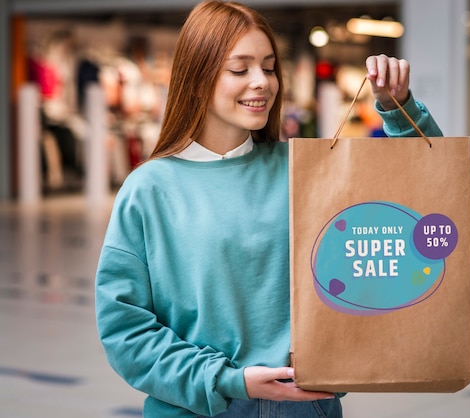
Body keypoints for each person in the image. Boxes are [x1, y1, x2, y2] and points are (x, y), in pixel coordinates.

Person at [94, 1, 443, 417]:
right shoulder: (149, 190)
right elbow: (125, 331)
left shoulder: (303, 168)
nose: (261, 82)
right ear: (196, 79)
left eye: (269, 66)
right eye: (239, 69)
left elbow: (423, 190)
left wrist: (397, 106)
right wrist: (227, 381)